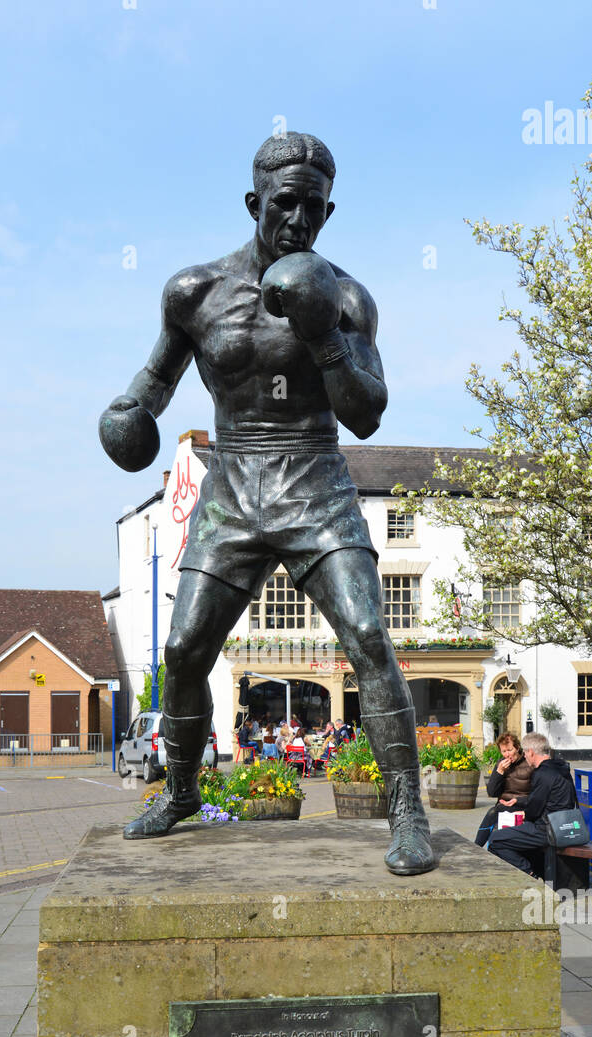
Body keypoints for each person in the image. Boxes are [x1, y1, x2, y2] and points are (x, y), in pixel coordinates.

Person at [102, 132, 433, 875]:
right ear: (254, 203)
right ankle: (182, 791)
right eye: (285, 204)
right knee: (185, 650)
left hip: (315, 479)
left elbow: (368, 414)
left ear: (328, 210)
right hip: (234, 486)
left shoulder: (346, 297)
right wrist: (127, 412)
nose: (299, 221)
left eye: (314, 208)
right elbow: (153, 383)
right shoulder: (195, 292)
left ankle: (407, 810)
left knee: (368, 639)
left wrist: (323, 339)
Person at [488, 732, 578, 877]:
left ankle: (530, 873)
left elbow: (533, 811)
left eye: (524, 752)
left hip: (547, 829)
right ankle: (537, 871)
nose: (524, 755)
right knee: (512, 833)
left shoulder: (542, 773)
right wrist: (520, 803)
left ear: (530, 752)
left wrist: (521, 816)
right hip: (563, 824)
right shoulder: (561, 768)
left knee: (495, 840)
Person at [474, 732, 532, 847]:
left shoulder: (529, 763)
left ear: (517, 747)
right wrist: (499, 772)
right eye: (504, 751)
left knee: (493, 814)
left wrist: (519, 801)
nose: (507, 755)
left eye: (510, 750)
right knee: (493, 812)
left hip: (522, 805)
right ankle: (476, 847)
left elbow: (537, 793)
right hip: (502, 805)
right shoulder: (500, 764)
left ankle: (476, 847)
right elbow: (491, 792)